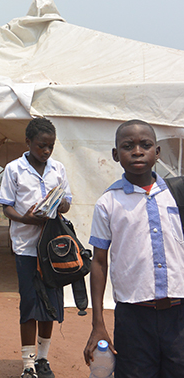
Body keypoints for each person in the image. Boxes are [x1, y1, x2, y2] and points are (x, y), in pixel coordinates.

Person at [84, 119, 184, 378]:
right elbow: (99, 261)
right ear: (116, 155)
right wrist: (98, 324)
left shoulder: (177, 194)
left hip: (179, 314)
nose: (137, 151)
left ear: (157, 152)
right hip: (134, 318)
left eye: (145, 145)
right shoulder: (108, 202)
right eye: (128, 146)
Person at [0, 117, 71, 378]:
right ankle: (28, 364)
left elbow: (67, 202)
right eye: (41, 145)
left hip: (53, 249)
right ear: (28, 142)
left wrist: (58, 205)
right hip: (26, 247)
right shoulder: (13, 169)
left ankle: (42, 359)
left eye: (51, 146)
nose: (47, 151)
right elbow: (6, 207)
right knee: (29, 303)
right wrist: (26, 218)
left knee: (50, 304)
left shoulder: (58, 169)